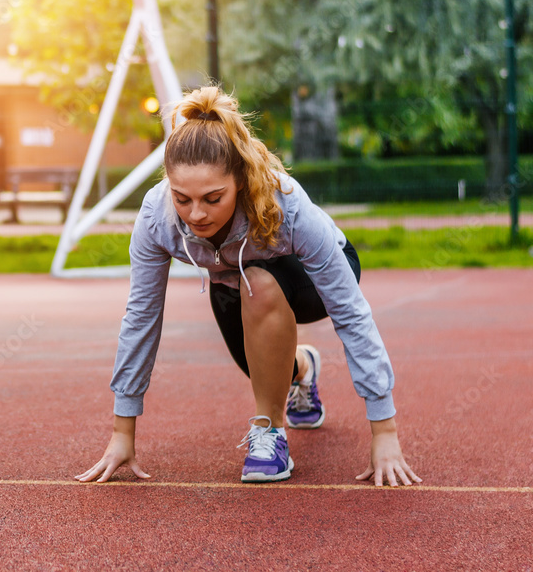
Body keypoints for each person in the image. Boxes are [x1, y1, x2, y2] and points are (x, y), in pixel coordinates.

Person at [76, 86, 421, 486]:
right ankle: (303, 368)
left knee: (258, 280)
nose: (197, 214)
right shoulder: (157, 216)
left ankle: (270, 433)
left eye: (213, 197)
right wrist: (122, 432)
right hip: (233, 281)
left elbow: (351, 312)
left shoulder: (285, 203)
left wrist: (385, 432)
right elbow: (141, 317)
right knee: (262, 370)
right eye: (182, 199)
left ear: (239, 180)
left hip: (310, 281)